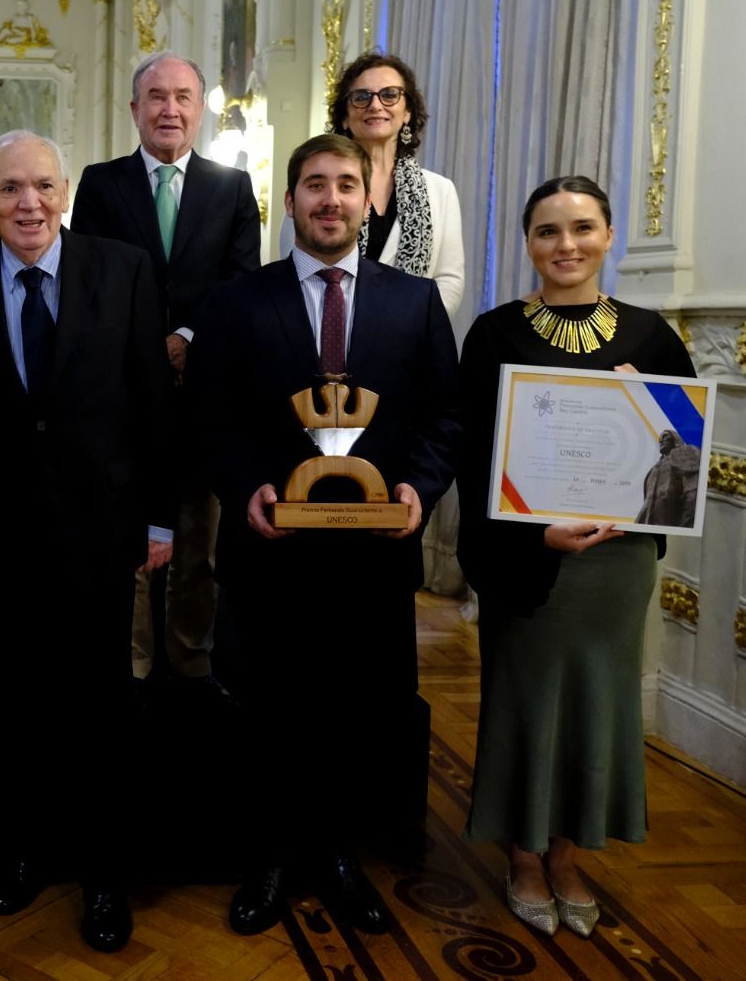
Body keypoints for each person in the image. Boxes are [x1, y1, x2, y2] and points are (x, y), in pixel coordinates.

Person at [187, 134, 460, 937]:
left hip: (373, 557)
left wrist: (419, 486)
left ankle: (340, 857)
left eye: (345, 184)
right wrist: (247, 490)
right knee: (269, 708)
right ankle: (270, 857)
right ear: (292, 200)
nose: (330, 199)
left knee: (357, 710)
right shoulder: (238, 302)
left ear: (364, 200)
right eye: (314, 184)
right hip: (271, 551)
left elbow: (445, 416)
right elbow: (207, 420)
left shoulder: (412, 303)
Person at [0, 131, 174, 953]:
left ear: (65, 192)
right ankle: (23, 850)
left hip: (99, 534)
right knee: (10, 704)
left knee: (99, 707)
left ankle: (104, 873)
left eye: (41, 186)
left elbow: (150, 403)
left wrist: (161, 519)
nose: (27, 203)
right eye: (9, 190)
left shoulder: (125, 269)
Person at [457, 176, 694, 939]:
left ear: (610, 235)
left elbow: (686, 458)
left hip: (616, 568)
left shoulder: (652, 335)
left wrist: (656, 413)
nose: (567, 246)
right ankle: (523, 855)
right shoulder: (493, 333)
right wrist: (534, 535)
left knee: (600, 706)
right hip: (532, 562)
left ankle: (567, 857)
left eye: (583, 228)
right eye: (549, 232)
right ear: (528, 242)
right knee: (527, 704)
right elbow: (473, 456)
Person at [72, 50, 260, 697]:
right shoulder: (100, 183)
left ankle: (191, 663)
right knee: (127, 539)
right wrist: (142, 347)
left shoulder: (232, 188)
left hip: (202, 390)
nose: (169, 109)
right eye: (156, 96)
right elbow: (88, 282)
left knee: (198, 541)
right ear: (134, 109)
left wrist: (185, 337)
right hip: (123, 392)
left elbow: (240, 282)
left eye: (183, 96)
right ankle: (134, 663)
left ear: (200, 109)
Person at [328, 52, 464, 317]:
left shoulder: (441, 190)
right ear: (344, 117)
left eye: (389, 95)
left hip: (411, 342)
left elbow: (450, 280)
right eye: (361, 97)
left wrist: (407, 328)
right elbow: (300, 265)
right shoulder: (318, 186)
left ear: (407, 113)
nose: (375, 105)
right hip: (332, 335)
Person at [636, 429, 700, 527]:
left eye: (666, 437)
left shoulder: (683, 456)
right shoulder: (654, 468)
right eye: (660, 439)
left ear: (675, 440)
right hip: (647, 514)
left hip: (670, 510)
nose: (661, 441)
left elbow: (692, 487)